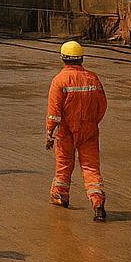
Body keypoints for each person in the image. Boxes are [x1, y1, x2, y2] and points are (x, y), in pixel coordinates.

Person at [46, 40, 109, 221]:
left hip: (66, 131)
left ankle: (61, 196)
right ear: (81, 58)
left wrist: (49, 133)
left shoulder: (59, 80)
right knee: (91, 168)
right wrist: (92, 123)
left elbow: (54, 112)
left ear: (63, 58)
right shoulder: (93, 78)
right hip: (89, 130)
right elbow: (102, 105)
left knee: (64, 165)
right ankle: (97, 202)